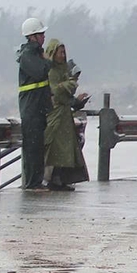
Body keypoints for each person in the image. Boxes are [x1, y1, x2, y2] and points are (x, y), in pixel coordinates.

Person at [40, 38, 91, 191]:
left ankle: (60, 179)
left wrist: (75, 100)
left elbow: (63, 94)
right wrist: (71, 86)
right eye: (60, 52)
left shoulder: (63, 70)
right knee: (52, 149)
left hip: (64, 118)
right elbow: (57, 93)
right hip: (54, 116)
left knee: (65, 151)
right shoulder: (50, 71)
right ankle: (48, 179)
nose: (63, 56)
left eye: (64, 52)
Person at [17, 17, 51, 191]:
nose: (43, 37)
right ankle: (32, 183)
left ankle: (36, 181)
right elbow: (41, 72)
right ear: (32, 36)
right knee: (32, 148)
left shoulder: (35, 53)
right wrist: (48, 60)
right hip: (31, 108)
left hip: (38, 107)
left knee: (37, 147)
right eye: (41, 34)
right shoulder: (28, 55)